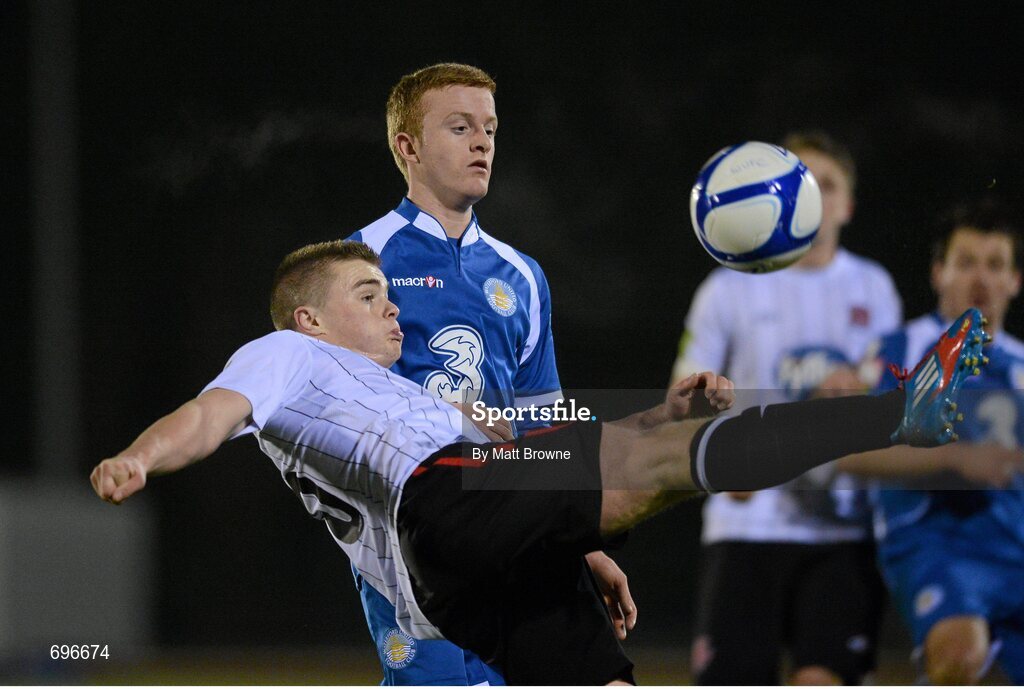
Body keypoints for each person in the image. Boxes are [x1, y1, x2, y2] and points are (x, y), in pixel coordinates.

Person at [93, 239, 986, 685]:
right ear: (310, 319)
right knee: (665, 460)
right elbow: (207, 416)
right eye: (369, 296)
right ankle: (896, 412)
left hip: (464, 565)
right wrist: (139, 458)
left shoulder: (405, 394)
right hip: (442, 505)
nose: (393, 311)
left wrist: (596, 524)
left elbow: (525, 442)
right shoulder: (282, 354)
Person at [344, 62, 633, 684]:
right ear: (408, 146)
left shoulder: (521, 274)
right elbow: (338, 409)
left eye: (490, 129)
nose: (482, 142)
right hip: (416, 547)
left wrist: (585, 543)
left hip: (522, 532)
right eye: (459, 127)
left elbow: (544, 423)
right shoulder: (357, 264)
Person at [671, 131, 902, 685]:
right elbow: (681, 399)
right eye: (804, 183)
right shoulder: (726, 288)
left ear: (846, 204)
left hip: (840, 531)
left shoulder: (873, 287)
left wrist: (864, 400)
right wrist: (716, 434)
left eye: (829, 185)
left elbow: (893, 406)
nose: (815, 196)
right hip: (747, 524)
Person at [836, 200, 1024, 684]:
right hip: (938, 542)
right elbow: (850, 453)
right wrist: (958, 459)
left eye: (995, 264)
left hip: (1016, 544)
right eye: (966, 263)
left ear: (1014, 282)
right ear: (938, 272)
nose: (980, 278)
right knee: (959, 654)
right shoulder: (899, 352)